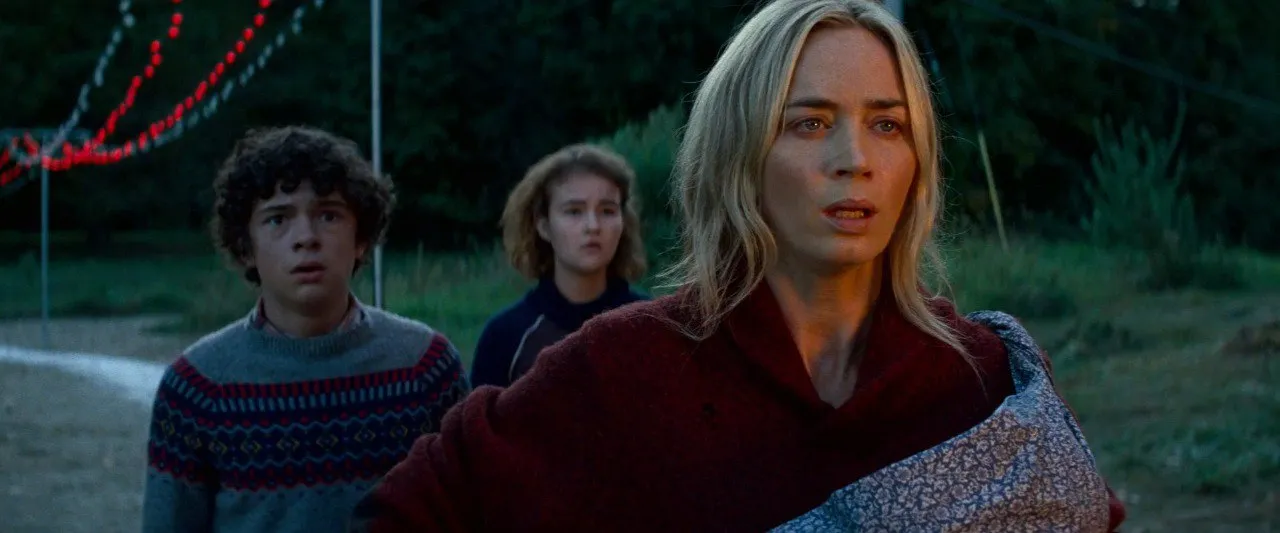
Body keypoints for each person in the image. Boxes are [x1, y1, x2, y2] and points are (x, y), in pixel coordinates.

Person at [348, 0, 1128, 531]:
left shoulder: (983, 377)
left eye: (887, 125)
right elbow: (418, 508)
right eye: (810, 122)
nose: (854, 158)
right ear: (739, 155)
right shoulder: (628, 369)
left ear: (918, 160)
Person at [140, 126, 471, 533]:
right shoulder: (197, 389)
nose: (306, 238)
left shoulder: (425, 368)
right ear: (245, 246)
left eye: (328, 215)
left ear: (361, 238)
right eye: (278, 219)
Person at [469, 143, 649, 388]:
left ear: (623, 221)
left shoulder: (651, 326)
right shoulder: (505, 337)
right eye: (574, 212)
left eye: (607, 211)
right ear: (544, 225)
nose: (593, 226)